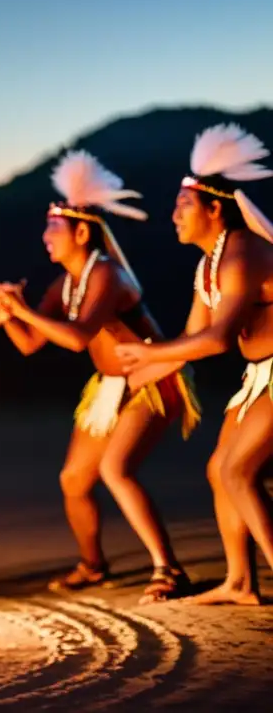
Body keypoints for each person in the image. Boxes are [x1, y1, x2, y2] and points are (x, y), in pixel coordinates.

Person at [0, 150, 200, 603]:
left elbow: (78, 338)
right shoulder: (63, 284)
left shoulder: (106, 274)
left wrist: (24, 310)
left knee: (115, 469)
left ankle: (170, 570)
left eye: (54, 228)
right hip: (108, 388)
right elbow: (29, 344)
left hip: (152, 380)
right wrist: (9, 314)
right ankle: (93, 564)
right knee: (74, 479)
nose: (46, 237)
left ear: (82, 232)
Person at [116, 123, 273, 606]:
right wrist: (147, 371)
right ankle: (240, 582)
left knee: (239, 471)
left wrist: (147, 354)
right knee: (218, 469)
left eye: (184, 206)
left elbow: (219, 339)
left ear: (213, 208)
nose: (174, 215)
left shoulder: (242, 252)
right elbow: (190, 338)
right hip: (258, 377)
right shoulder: (208, 265)